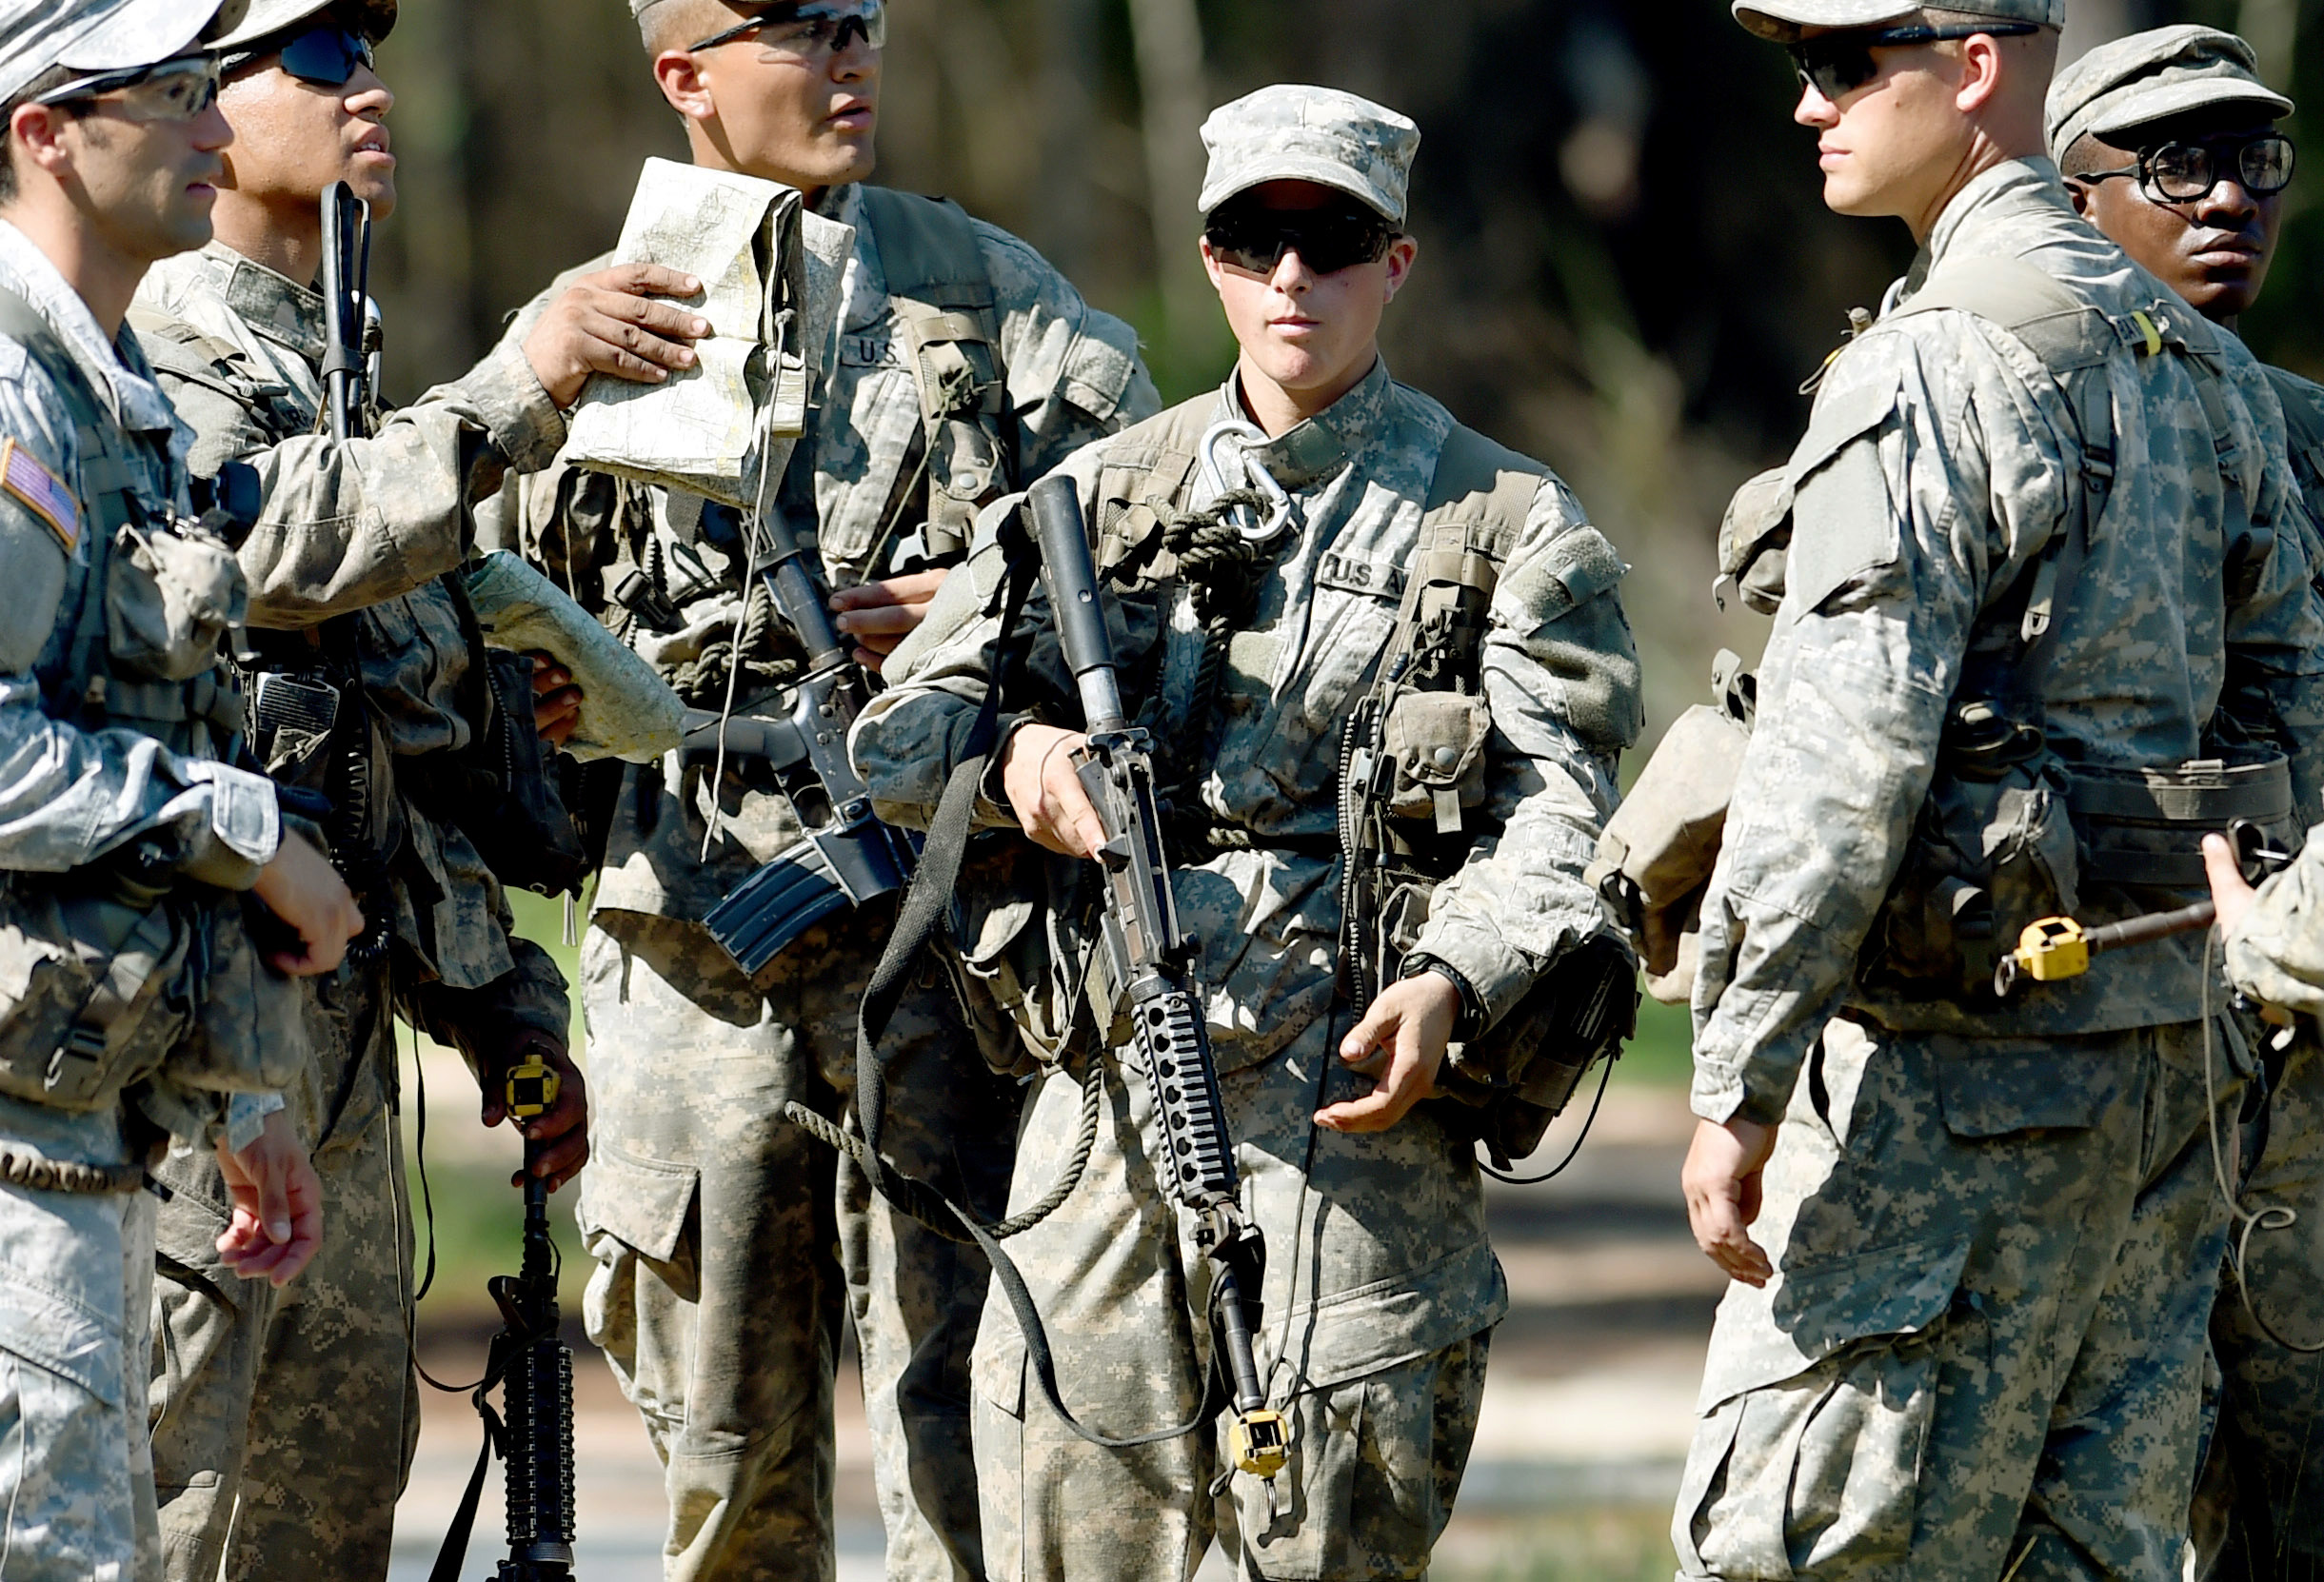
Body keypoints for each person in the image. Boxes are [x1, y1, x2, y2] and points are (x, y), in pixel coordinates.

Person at [851, 84, 1643, 1579]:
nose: (1293, 278)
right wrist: (1018, 755)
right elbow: (896, 734)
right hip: (1105, 1109)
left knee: (1332, 1546)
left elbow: (1564, 811)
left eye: (1332, 240)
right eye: (1253, 239)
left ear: (1394, 263)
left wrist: (1458, 976)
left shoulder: (1505, 523)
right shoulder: (1087, 499)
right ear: (1209, 258)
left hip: (1354, 1123)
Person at [491, 3, 1159, 1576]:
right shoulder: (600, 317)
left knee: (975, 1446)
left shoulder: (986, 292)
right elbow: (463, 592)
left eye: (862, 18)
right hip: (687, 948)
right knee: (727, 1463)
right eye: (797, 27)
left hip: (942, 946)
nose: (850, 56)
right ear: (686, 77)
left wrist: (977, 600)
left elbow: (1148, 547)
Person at [1677, 1, 2324, 1576]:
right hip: (2167, 1091)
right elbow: (2282, 716)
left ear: (1972, 73)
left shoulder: (1931, 365)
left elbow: (1841, 762)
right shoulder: (2209, 370)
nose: (1807, 107)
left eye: (1842, 67)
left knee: (1801, 1539)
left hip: (1950, 1095)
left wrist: (1734, 1076)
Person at [125, 1, 703, 1572]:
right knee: (179, 1512)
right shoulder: (146, 345)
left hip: (341, 1042)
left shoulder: (334, 374)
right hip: (193, 1051)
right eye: (314, 58)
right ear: (197, 104)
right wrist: (522, 382)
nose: (364, 88)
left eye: (367, 54)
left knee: (326, 1511)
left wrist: (503, 1001)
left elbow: (374, 756)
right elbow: (265, 553)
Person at [0, 0, 368, 1572]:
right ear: (42, 130)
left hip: (82, 1122)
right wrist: (249, 830)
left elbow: (159, 699)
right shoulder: (13, 393)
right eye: (168, 92)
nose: (215, 130)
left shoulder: (115, 395)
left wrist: (250, 1092)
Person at [2046, 29, 2324, 1580]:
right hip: (2076, 1075)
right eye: (2175, 163)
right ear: (2073, 196)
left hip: (2299, 1090)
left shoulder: (2311, 437)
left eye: (2253, 161)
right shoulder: (2003, 414)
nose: (2227, 197)